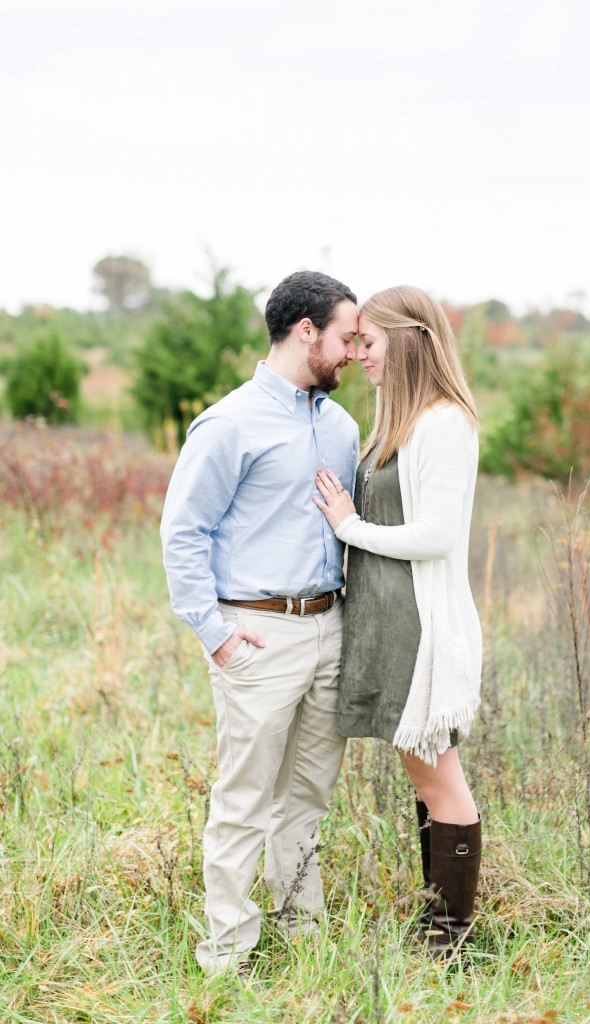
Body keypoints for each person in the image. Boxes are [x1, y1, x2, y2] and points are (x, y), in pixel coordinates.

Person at [160, 270, 359, 973]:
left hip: (328, 627)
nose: (353, 352)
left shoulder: (342, 427)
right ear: (306, 332)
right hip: (256, 632)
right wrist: (213, 633)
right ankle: (225, 951)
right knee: (244, 798)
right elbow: (183, 532)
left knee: (307, 793)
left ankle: (299, 928)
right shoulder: (229, 422)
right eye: (344, 337)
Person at [313, 285, 482, 957]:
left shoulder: (445, 423)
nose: (358, 356)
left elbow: (437, 535)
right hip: (387, 626)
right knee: (423, 775)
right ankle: (435, 919)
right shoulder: (400, 421)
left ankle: (450, 939)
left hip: (421, 630)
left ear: (409, 341)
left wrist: (350, 528)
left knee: (440, 776)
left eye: (368, 342)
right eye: (352, 342)